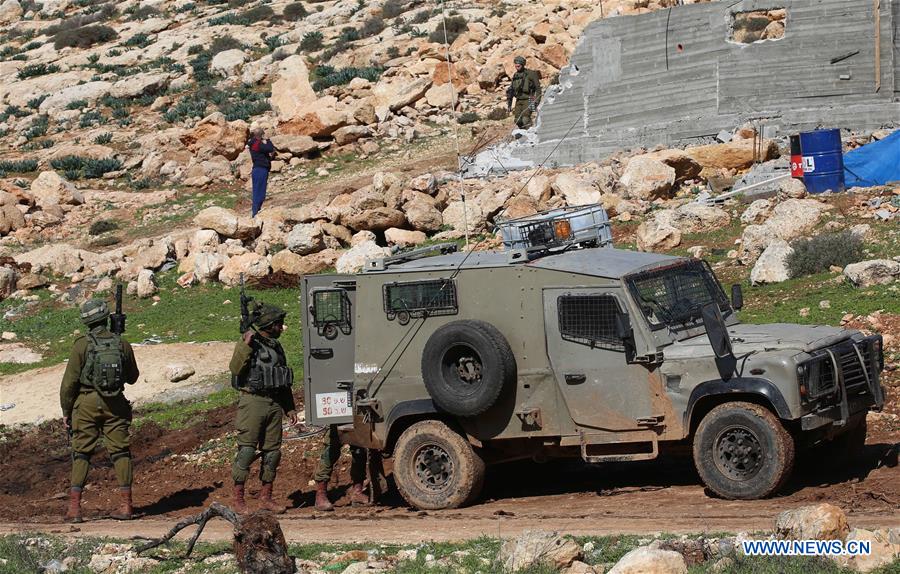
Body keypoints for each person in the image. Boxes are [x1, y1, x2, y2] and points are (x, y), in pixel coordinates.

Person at [60, 299, 140, 523]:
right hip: (115, 404)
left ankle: (75, 509)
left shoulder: (81, 345)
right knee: (120, 452)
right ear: (106, 317)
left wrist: (67, 410)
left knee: (82, 453)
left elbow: (69, 384)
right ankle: (126, 506)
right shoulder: (121, 343)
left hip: (86, 404)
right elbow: (133, 378)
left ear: (87, 321)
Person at [230, 302, 297, 514]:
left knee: (272, 453)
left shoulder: (276, 347)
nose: (281, 328)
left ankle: (265, 498)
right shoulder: (249, 343)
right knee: (247, 451)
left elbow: (283, 379)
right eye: (279, 324)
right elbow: (235, 368)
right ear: (270, 324)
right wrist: (245, 344)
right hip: (253, 401)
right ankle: (239, 501)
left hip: (274, 403)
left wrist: (290, 408)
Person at [313, 425, 370, 511]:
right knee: (330, 451)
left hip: (355, 418)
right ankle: (321, 494)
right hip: (336, 418)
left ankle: (357, 492)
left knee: (360, 450)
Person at [505, 55, 542, 129]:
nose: (517, 66)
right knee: (517, 120)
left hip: (529, 98)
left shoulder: (531, 74)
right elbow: (512, 90)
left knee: (525, 119)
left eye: (518, 64)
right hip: (519, 100)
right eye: (516, 64)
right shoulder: (516, 75)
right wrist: (509, 104)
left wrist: (536, 101)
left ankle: (530, 134)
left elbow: (538, 89)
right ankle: (522, 135)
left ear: (522, 64)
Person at [247, 127, 275, 217]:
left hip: (257, 170)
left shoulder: (253, 143)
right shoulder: (258, 144)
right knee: (260, 193)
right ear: (262, 135)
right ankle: (255, 213)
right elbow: (270, 148)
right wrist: (268, 140)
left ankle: (255, 212)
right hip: (261, 170)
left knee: (257, 192)